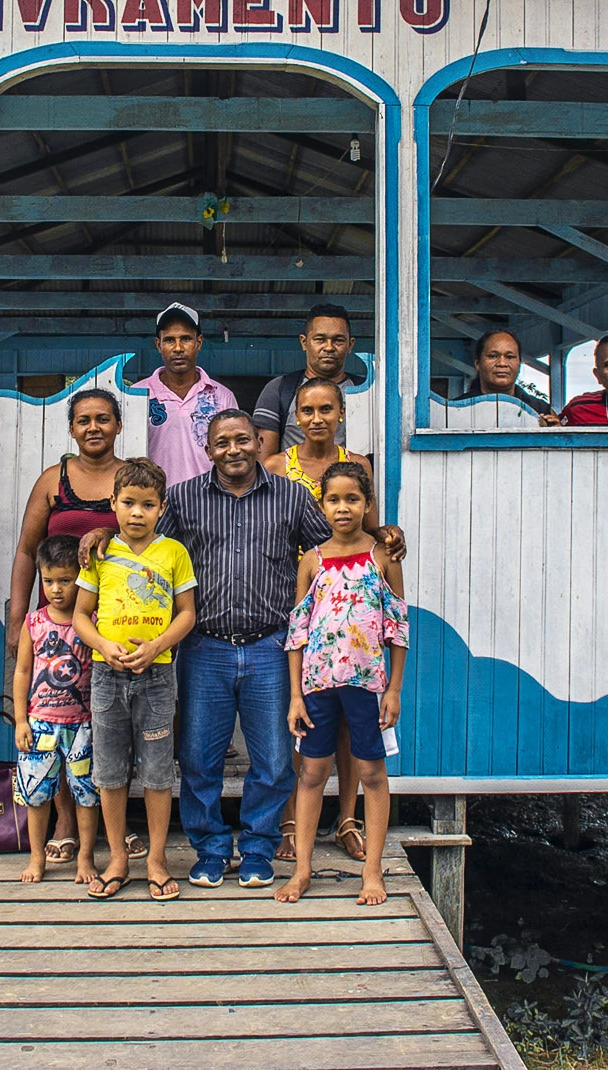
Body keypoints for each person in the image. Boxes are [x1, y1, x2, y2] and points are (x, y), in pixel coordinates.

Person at [126, 410, 403, 891]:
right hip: (204, 646)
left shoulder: (292, 497)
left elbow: (339, 543)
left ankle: (257, 849)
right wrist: (99, 539)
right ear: (209, 449)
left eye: (241, 440)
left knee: (274, 760)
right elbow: (143, 542)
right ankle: (211, 851)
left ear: (257, 442)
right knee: (197, 759)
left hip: (271, 646)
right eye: (221, 442)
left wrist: (384, 535)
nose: (232, 449)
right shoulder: (185, 498)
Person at [4, 389, 146, 870]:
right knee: (58, 719)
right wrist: (18, 616)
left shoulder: (130, 479)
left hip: (118, 626)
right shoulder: (52, 481)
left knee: (107, 726)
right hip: (60, 624)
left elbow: (148, 532)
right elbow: (26, 551)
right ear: (71, 428)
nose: (93, 428)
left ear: (118, 425)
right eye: (83, 420)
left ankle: (116, 825)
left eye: (103, 419)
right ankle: (64, 824)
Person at [275, 461, 408, 907]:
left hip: (368, 685)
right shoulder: (311, 561)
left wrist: (394, 690)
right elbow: (297, 631)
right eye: (333, 499)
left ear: (367, 504)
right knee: (312, 773)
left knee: (371, 772)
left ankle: (372, 872)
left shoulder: (382, 556)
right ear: (322, 505)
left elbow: (397, 627)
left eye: (353, 499)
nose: (343, 508)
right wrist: (295, 695)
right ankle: (303, 869)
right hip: (317, 685)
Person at [262, 378, 375, 863]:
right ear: (294, 416)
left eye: (326, 409)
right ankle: (292, 821)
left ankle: (347, 819)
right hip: (294, 596)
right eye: (306, 410)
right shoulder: (275, 467)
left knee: (350, 723)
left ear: (341, 412)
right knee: (303, 716)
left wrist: (389, 535)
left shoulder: (357, 466)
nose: (316, 419)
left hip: (348, 606)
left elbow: (371, 528)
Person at [73, 457, 197, 901]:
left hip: (157, 676)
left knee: (159, 772)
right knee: (109, 771)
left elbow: (188, 613)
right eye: (128, 503)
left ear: (162, 507)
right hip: (107, 677)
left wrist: (159, 645)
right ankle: (119, 859)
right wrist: (104, 646)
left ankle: (158, 860)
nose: (137, 513)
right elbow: (81, 616)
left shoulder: (173, 553)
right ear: (113, 503)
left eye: (147, 504)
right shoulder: (101, 554)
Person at [13, 536, 101, 885]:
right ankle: (37, 858)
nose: (57, 590)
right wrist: (21, 719)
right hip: (40, 725)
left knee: (86, 794)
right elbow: (22, 671)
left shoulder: (93, 620)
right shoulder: (34, 623)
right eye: (48, 581)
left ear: (81, 578)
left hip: (83, 725)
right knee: (37, 795)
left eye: (65, 581)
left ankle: (86, 858)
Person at [136, 303, 237, 485]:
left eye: (186, 339)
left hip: (207, 503)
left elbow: (234, 454)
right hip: (153, 504)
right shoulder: (137, 395)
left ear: (199, 342)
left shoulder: (222, 397)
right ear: (158, 345)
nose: (178, 348)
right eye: (169, 340)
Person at [254, 303, 366, 458]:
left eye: (338, 340)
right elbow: (264, 463)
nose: (329, 347)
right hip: (291, 482)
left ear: (350, 344)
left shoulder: (365, 391)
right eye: (320, 339)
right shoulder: (280, 389)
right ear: (304, 342)